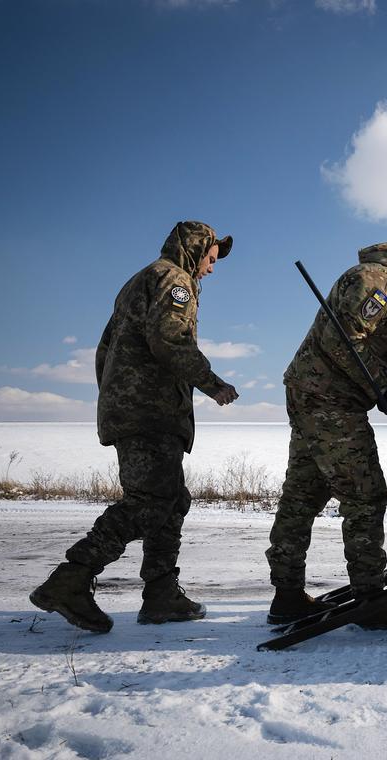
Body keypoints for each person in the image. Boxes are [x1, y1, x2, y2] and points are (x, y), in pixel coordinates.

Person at [30, 221, 239, 633]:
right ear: (195, 249)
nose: (211, 270)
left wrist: (115, 400)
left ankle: (161, 595)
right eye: (211, 259)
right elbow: (170, 339)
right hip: (150, 411)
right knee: (149, 501)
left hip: (136, 408)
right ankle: (70, 579)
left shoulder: (140, 281)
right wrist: (212, 383)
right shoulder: (173, 279)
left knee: (171, 500)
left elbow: (105, 349)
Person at [265, 237, 387, 628]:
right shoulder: (381, 280)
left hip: (318, 393)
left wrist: (384, 387)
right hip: (329, 399)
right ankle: (370, 599)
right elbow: (340, 340)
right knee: (366, 496)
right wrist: (379, 384)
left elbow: (358, 343)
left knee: (304, 493)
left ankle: (287, 595)